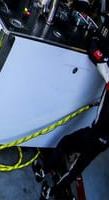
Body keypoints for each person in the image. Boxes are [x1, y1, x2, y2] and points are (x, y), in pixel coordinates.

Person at [34, 35, 109, 199]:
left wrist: (95, 40)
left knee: (67, 146)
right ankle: (49, 185)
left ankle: (46, 179)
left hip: (94, 135)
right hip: (103, 141)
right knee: (77, 167)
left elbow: (96, 56)